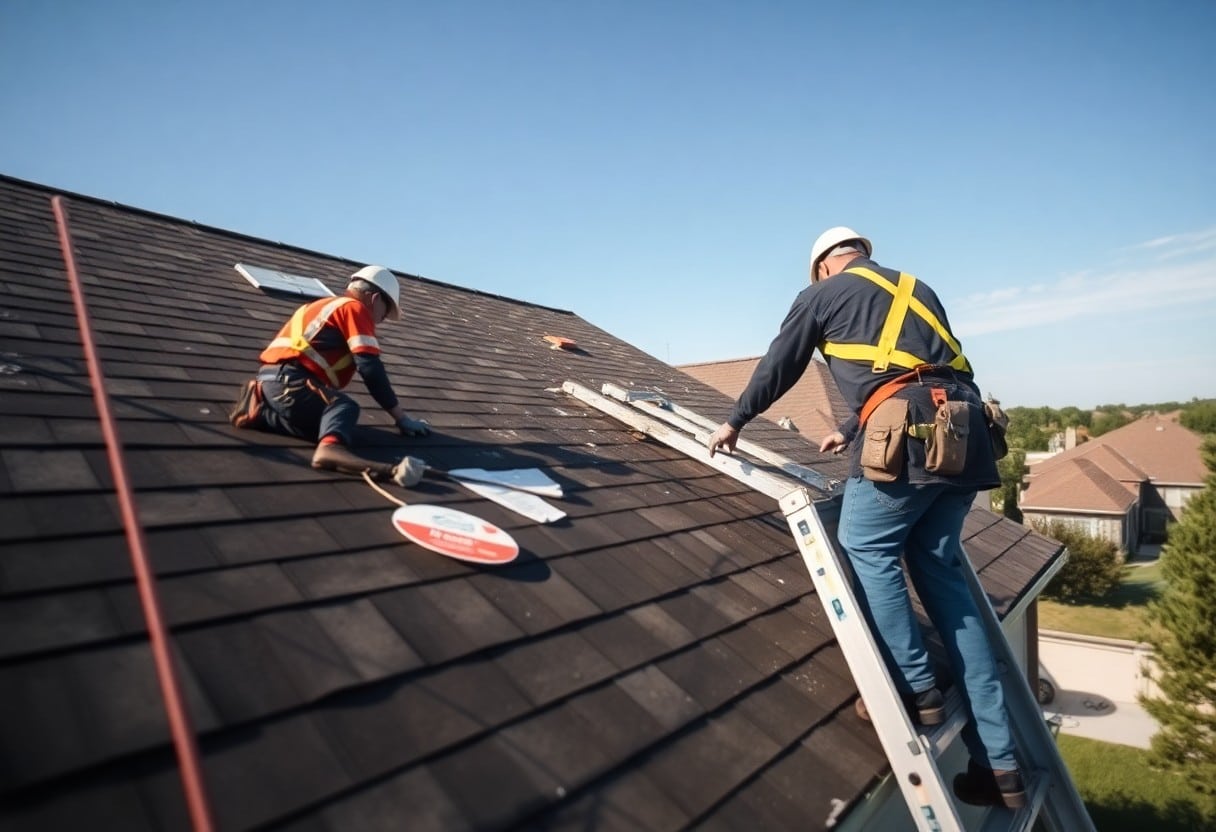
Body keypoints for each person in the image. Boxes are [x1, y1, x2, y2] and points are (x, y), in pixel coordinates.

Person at [707, 226, 1024, 809]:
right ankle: (999, 764)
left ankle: (916, 688)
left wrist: (735, 421)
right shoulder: (917, 288)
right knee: (940, 572)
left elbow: (781, 363)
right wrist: (850, 428)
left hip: (908, 441)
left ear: (823, 267)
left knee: (866, 547)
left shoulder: (823, 295)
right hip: (966, 433)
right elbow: (925, 371)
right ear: (860, 256)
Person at [230, 264, 430, 487]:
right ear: (374, 299)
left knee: (330, 425)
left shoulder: (321, 305)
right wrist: (401, 418)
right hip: (292, 383)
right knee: (343, 408)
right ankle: (330, 452)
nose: (382, 320)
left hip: (272, 384)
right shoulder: (355, 309)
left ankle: (262, 413)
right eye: (385, 311)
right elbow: (370, 368)